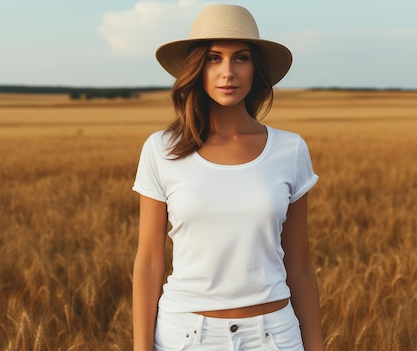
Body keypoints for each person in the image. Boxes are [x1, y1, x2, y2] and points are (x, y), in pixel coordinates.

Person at [132, 4, 323, 350]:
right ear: (196, 68)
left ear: (256, 69)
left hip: (275, 337)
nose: (227, 73)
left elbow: (300, 267)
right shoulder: (161, 150)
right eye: (213, 58)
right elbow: (148, 262)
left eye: (241, 58)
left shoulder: (290, 149)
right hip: (185, 337)